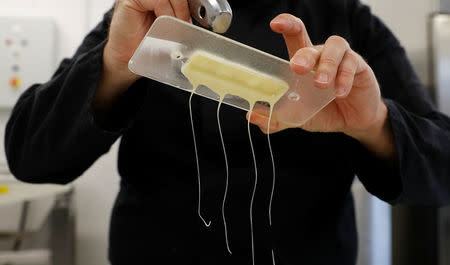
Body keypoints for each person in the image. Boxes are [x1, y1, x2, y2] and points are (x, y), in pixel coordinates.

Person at [4, 0, 450, 264]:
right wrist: (114, 65)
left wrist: (375, 123)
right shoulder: (151, 13)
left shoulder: (346, 19)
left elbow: (442, 168)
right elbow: (29, 155)